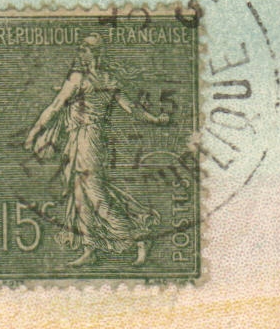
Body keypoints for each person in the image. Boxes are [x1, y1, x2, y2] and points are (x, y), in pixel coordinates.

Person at [25, 34, 171, 266]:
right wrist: (155, 119)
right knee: (80, 195)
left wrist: (34, 132)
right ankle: (90, 248)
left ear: (91, 53)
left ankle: (138, 236)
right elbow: (132, 109)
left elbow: (55, 107)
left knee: (94, 194)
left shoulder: (78, 78)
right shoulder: (109, 79)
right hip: (86, 139)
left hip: (86, 139)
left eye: (84, 49)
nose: (81, 53)